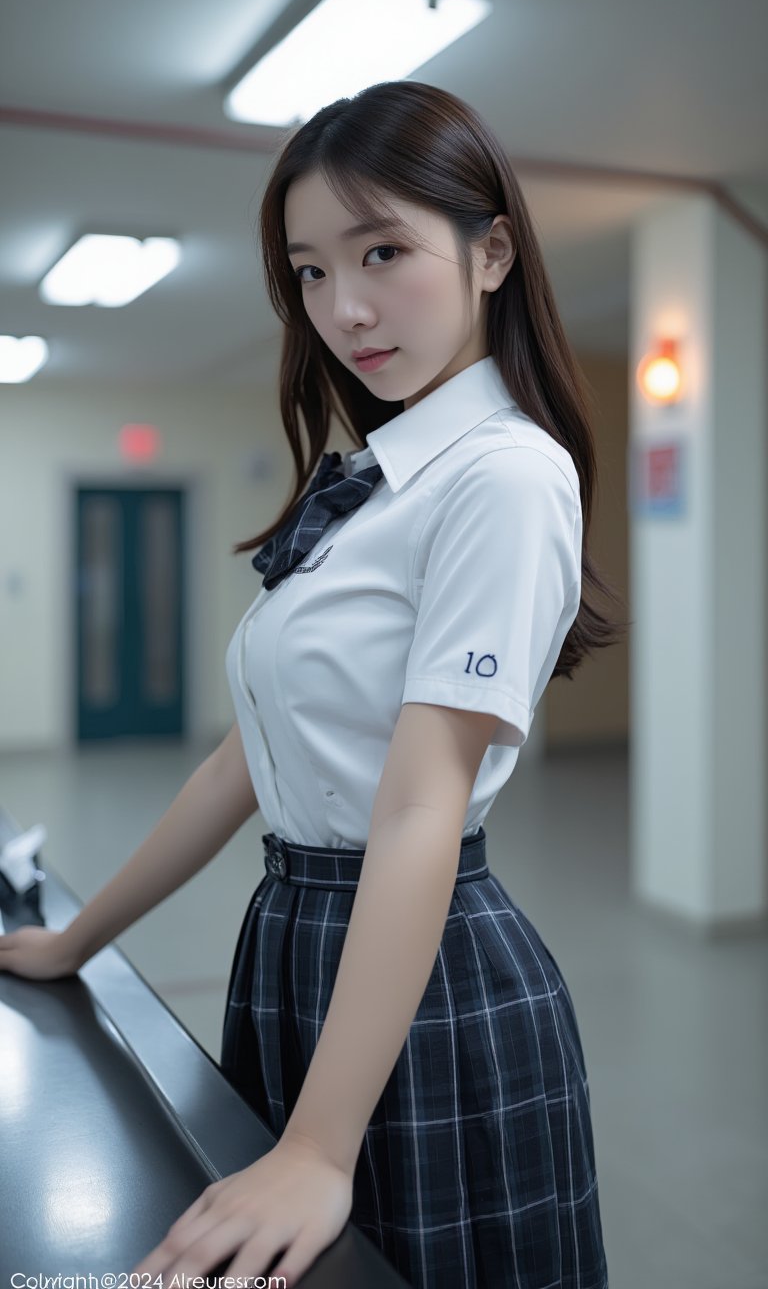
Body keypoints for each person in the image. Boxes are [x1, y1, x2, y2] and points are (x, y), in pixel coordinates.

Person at [0, 80, 623, 1288]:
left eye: (382, 250)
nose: (345, 307)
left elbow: (419, 804)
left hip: (424, 971)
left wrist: (321, 1144)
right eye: (310, 272)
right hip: (297, 941)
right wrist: (80, 936)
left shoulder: (502, 474)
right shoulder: (376, 486)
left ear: (492, 252)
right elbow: (244, 759)